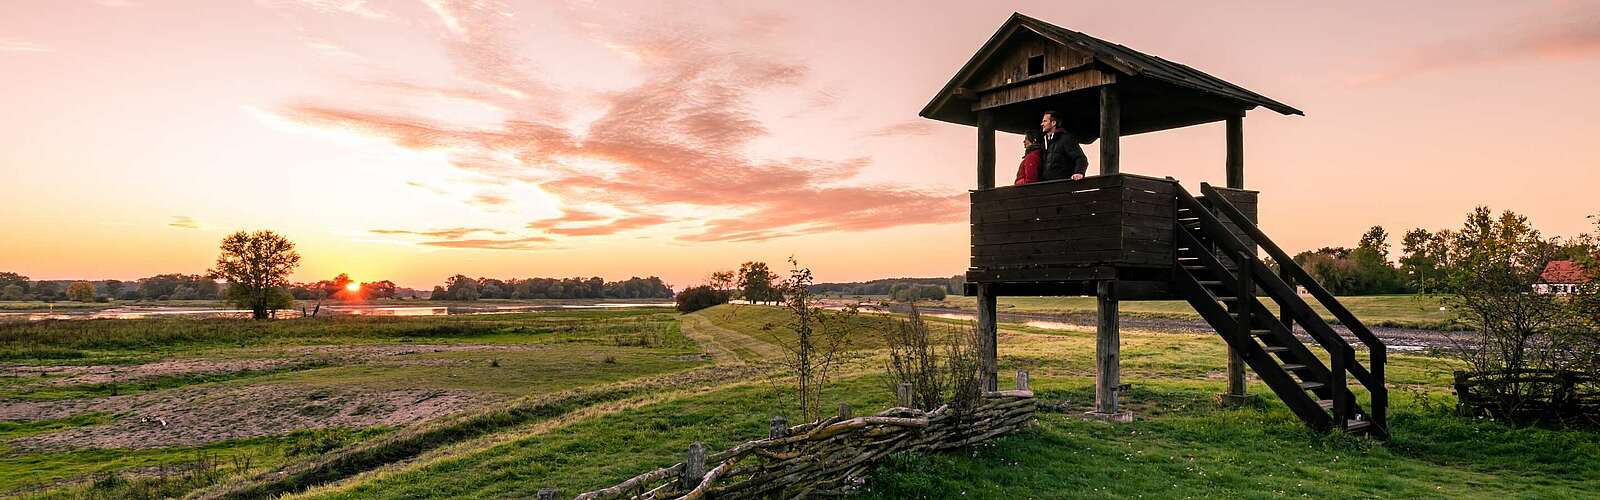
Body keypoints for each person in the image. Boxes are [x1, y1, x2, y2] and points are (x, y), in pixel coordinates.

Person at [1038, 110, 1089, 181]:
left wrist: (1079, 172)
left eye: (1045, 121)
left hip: (1063, 186)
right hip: (1048, 186)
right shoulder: (1045, 141)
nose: (1042, 124)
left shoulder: (1066, 139)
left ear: (1053, 123)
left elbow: (1081, 158)